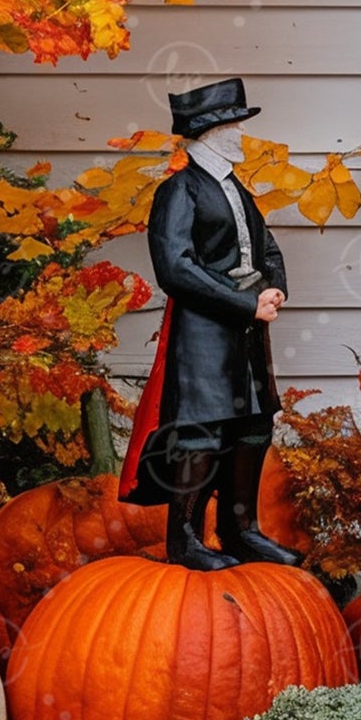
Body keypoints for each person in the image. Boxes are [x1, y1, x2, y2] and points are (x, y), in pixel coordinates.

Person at [119, 78, 301, 571]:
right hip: (203, 334)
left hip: (247, 334)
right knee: (202, 432)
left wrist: (275, 285)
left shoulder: (238, 190)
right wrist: (244, 304)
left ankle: (241, 531)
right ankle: (185, 538)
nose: (241, 135)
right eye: (234, 126)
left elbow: (265, 247)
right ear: (210, 132)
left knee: (253, 426)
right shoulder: (178, 191)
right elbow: (175, 267)